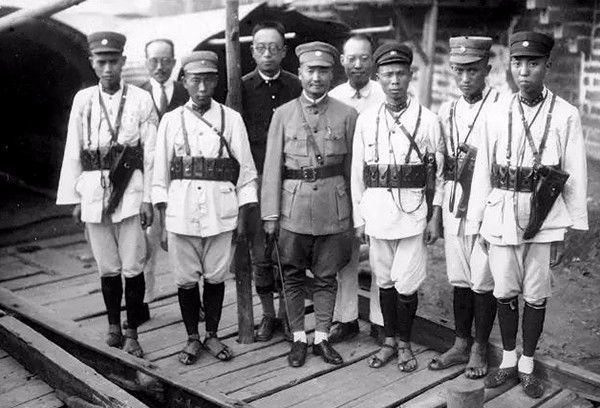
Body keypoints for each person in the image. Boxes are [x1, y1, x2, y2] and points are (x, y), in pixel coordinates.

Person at [468, 31, 588, 398]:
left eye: (532, 63)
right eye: (518, 63)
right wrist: (477, 222)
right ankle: (508, 359)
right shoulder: (495, 111)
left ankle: (527, 363)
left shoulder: (565, 114)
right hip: (501, 210)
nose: (524, 71)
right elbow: (483, 170)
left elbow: (575, 173)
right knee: (504, 289)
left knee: (536, 292)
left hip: (544, 215)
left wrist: (569, 228)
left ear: (547, 65)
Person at [152, 51, 258, 365]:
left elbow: (246, 173)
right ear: (184, 81)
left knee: (214, 277)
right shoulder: (171, 120)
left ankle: (212, 334)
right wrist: (162, 223)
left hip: (220, 212)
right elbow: (160, 177)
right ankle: (192, 338)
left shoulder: (230, 119)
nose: (202, 87)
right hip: (181, 213)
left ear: (216, 81)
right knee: (185, 279)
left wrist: (242, 219)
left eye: (208, 80)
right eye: (195, 80)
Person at [56, 31, 158, 358]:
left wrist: (148, 199)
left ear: (123, 61)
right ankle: (113, 326)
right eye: (102, 62)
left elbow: (151, 154)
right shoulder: (83, 100)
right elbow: (73, 148)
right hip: (93, 190)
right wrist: (74, 198)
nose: (108, 68)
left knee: (133, 264)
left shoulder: (141, 99)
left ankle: (132, 332)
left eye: (114, 61)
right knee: (107, 266)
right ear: (92, 63)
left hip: (130, 189)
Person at [261, 41, 357, 368]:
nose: (317, 77)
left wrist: (355, 216)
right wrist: (271, 215)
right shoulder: (283, 114)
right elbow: (272, 168)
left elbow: (352, 171)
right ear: (300, 73)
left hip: (334, 209)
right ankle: (299, 338)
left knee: (327, 276)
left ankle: (323, 337)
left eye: (324, 71)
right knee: (291, 274)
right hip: (293, 210)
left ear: (332, 74)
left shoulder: (347, 115)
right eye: (311, 70)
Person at [351, 42, 444, 372]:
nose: (394, 81)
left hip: (413, 213)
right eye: (388, 75)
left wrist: (435, 216)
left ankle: (404, 343)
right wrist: (359, 217)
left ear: (410, 75)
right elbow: (358, 172)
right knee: (385, 280)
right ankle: (389, 341)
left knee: (407, 282)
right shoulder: (367, 120)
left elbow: (440, 174)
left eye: (400, 74)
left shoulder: (428, 120)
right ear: (378, 77)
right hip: (377, 213)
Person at [428, 36, 501, 379]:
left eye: (473, 70)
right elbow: (442, 167)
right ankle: (460, 342)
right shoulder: (448, 110)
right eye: (459, 71)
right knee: (459, 278)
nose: (466, 77)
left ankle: (479, 347)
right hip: (454, 204)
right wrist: (436, 212)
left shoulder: (501, 107)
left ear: (487, 69)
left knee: (483, 279)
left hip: (487, 205)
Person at [239, 21, 302, 342]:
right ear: (252, 52)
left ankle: (288, 316)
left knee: (289, 252)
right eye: (261, 48)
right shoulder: (240, 88)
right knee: (260, 255)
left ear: (283, 51)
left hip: (291, 181)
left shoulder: (296, 86)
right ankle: (267, 315)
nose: (267, 54)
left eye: (274, 48)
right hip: (257, 180)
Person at [328, 34, 386, 344]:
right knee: (345, 255)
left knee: (379, 254)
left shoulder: (384, 93)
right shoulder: (334, 96)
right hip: (341, 183)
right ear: (342, 61)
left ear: (373, 60)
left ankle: (379, 320)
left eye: (364, 58)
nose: (358, 64)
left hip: (378, 185)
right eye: (352, 58)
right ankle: (346, 318)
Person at [138, 38, 192, 324]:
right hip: (148, 181)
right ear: (145, 62)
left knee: (186, 242)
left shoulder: (187, 92)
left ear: (174, 61)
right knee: (145, 243)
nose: (160, 67)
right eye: (154, 61)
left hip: (183, 179)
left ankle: (193, 303)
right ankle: (143, 302)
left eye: (165, 60)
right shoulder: (137, 95)